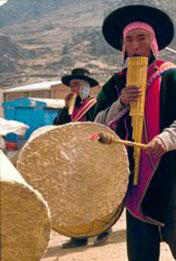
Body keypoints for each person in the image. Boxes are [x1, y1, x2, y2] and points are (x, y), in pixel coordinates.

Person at [94, 5, 176, 261]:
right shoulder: (116, 84)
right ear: (123, 46)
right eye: (129, 39)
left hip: (171, 166)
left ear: (153, 42)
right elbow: (99, 126)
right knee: (140, 242)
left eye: (142, 38)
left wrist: (165, 140)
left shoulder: (175, 78)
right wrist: (120, 103)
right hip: (132, 174)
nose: (135, 45)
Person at [53, 67, 112, 248]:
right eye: (71, 86)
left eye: (77, 85)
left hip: (93, 156)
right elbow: (58, 127)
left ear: (86, 87)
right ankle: (80, 236)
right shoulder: (70, 108)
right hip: (74, 158)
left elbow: (102, 127)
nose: (73, 90)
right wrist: (65, 108)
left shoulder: (95, 105)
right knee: (77, 198)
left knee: (97, 195)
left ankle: (104, 230)